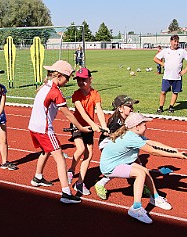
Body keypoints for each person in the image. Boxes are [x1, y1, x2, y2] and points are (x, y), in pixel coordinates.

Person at [99, 112, 186, 224]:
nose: (146, 126)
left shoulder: (132, 134)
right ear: (137, 126)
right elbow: (153, 151)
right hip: (110, 167)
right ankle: (136, 208)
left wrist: (174, 150)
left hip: (119, 162)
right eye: (144, 124)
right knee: (140, 173)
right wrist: (176, 156)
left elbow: (152, 143)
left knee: (144, 170)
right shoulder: (131, 138)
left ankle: (155, 198)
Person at [28, 60, 90, 204]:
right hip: (44, 129)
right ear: (60, 76)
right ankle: (66, 193)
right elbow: (67, 114)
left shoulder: (45, 86)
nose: (68, 80)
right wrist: (80, 127)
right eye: (68, 77)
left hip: (34, 126)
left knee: (46, 151)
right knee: (60, 159)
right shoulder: (55, 92)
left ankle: (37, 177)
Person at [67, 67, 109, 195]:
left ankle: (80, 182)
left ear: (90, 79)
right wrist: (94, 124)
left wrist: (103, 126)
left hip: (90, 127)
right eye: (78, 80)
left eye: (84, 80)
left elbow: (99, 110)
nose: (81, 82)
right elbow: (82, 112)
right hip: (78, 125)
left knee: (89, 155)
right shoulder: (76, 95)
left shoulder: (95, 94)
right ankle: (71, 170)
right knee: (80, 149)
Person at [95, 95, 139, 199]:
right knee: (120, 165)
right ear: (120, 108)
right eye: (128, 106)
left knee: (135, 161)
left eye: (132, 105)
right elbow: (114, 139)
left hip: (117, 143)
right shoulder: (116, 122)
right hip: (107, 144)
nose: (132, 108)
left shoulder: (127, 118)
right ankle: (100, 184)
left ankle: (142, 182)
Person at [154, 35, 187, 113]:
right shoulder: (165, 51)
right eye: (175, 41)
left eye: (177, 41)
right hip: (167, 76)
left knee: (175, 92)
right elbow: (155, 58)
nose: (176, 43)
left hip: (177, 76)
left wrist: (185, 70)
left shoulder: (182, 51)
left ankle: (171, 106)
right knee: (163, 92)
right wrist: (163, 64)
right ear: (171, 41)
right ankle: (161, 107)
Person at [0, 65, 17, 172]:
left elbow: (2, 102)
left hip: (0, 117)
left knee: (4, 140)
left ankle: (5, 162)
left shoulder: (1, 88)